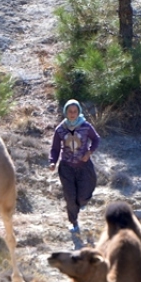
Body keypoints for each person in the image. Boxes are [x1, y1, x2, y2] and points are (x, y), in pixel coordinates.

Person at [49, 98, 100, 234]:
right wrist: (52, 161)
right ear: (66, 112)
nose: (72, 114)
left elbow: (96, 139)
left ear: (79, 112)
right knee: (70, 197)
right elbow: (54, 148)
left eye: (75, 111)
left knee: (82, 196)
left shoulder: (86, 126)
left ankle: (82, 203)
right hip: (66, 168)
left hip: (84, 166)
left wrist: (89, 152)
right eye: (70, 111)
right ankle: (74, 222)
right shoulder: (60, 129)